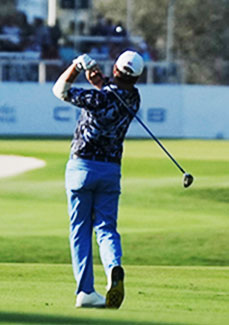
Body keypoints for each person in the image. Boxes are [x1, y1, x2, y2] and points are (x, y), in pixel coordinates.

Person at [52, 50, 144, 308]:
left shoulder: (97, 98)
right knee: (106, 228)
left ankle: (85, 291)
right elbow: (116, 92)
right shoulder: (134, 99)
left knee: (80, 229)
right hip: (110, 171)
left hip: (81, 167)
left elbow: (60, 90)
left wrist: (77, 65)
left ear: (115, 69)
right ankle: (113, 267)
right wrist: (102, 82)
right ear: (137, 77)